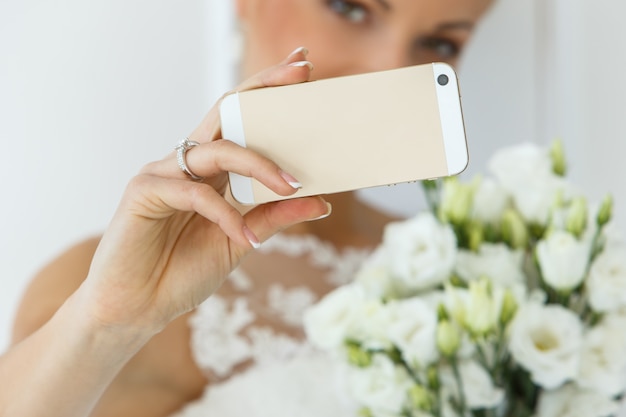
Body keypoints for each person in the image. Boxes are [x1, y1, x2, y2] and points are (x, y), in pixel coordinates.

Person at [0, 1, 495, 416]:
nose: (390, 67)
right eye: (350, 7)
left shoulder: (479, 271)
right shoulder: (95, 289)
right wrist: (109, 321)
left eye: (442, 43)